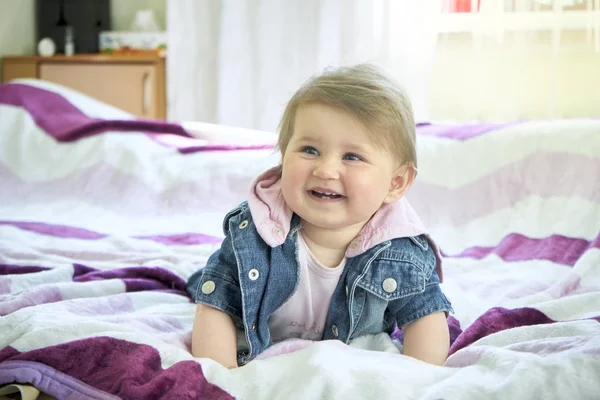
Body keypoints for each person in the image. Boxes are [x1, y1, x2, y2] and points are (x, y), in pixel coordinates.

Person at [186, 64, 453, 369]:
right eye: (309, 150)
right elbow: (217, 303)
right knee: (206, 282)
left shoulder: (401, 251)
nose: (325, 170)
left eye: (352, 157)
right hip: (258, 315)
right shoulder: (256, 233)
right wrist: (222, 378)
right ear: (284, 157)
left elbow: (426, 317)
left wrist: (421, 378)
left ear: (396, 183)